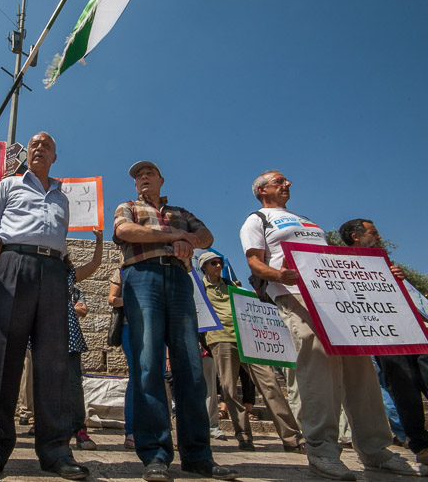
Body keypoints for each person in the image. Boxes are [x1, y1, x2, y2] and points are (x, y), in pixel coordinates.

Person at [239, 170, 418, 480]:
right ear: (262, 190)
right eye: (279, 181)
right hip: (296, 296)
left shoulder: (307, 221)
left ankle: (376, 450)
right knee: (318, 367)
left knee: (360, 369)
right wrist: (278, 276)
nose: (288, 183)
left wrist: (381, 274)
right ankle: (322, 451)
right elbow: (254, 261)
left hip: (335, 300)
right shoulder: (257, 220)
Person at [0, 132, 88, 481]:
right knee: (1, 357)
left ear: (55, 155)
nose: (38, 148)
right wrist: (2, 268)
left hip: (53, 270)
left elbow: (61, 235)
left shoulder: (62, 197)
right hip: (12, 265)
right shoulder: (9, 185)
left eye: (46, 145)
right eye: (34, 144)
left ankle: (55, 449)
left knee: (53, 362)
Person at [113, 160, 238, 482]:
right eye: (138, 176)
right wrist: (175, 236)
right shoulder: (127, 207)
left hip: (180, 282)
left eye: (148, 173)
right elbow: (125, 231)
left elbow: (207, 236)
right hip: (142, 277)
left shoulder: (182, 211)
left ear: (161, 180)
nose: (142, 178)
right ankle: (155, 455)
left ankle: (198, 455)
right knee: (147, 364)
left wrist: (188, 239)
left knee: (191, 367)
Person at [339, 218, 428, 466]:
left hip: (414, 331)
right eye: (373, 233)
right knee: (403, 388)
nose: (378, 237)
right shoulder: (340, 264)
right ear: (356, 237)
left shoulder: (384, 262)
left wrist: (398, 278)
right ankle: (421, 444)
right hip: (385, 336)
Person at [198, 251, 305, 453]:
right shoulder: (199, 289)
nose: (218, 266)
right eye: (213, 263)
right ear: (204, 267)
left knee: (270, 384)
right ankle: (244, 436)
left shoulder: (233, 286)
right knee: (229, 390)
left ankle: (291, 437)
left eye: (220, 262)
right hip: (220, 339)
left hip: (248, 337)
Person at [65, 230, 103, 451]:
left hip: (68, 333)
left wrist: (99, 240)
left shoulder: (69, 275)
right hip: (44, 332)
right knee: (45, 382)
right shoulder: (39, 269)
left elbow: (95, 263)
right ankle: (49, 426)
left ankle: (79, 428)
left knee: (73, 384)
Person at [108, 268, 135, 450]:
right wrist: (130, 302)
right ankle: (132, 430)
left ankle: (158, 430)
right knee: (137, 376)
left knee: (157, 378)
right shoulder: (122, 271)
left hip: (156, 325)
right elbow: (112, 298)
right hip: (130, 326)